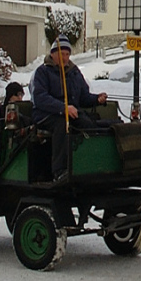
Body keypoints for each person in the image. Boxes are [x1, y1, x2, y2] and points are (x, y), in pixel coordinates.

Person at [32, 35, 110, 180]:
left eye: (67, 54)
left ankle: (87, 164)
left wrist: (97, 99)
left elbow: (83, 97)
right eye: (61, 54)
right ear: (53, 54)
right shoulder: (42, 72)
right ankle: (59, 171)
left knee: (88, 124)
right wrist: (63, 107)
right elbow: (40, 98)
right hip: (46, 115)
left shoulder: (74, 72)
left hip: (72, 112)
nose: (65, 58)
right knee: (62, 124)